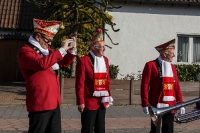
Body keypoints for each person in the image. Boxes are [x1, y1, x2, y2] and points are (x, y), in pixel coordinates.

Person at [18, 18, 77, 133]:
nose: (50, 43)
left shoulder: (47, 51)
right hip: (40, 103)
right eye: (48, 40)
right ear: (38, 36)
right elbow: (42, 64)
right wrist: (61, 50)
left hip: (54, 102)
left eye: (51, 40)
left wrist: (70, 51)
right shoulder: (25, 51)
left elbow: (62, 63)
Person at [140, 39, 185, 133]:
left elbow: (176, 87)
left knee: (169, 129)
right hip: (155, 104)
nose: (174, 55)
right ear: (165, 54)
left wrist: (181, 103)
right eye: (172, 53)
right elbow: (144, 86)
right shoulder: (150, 65)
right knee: (155, 131)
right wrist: (145, 104)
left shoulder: (172, 67)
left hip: (171, 105)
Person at [75, 28, 113, 133]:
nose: (104, 49)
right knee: (87, 129)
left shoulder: (105, 60)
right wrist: (80, 101)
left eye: (104, 46)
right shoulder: (83, 61)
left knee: (101, 129)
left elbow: (107, 79)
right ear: (93, 48)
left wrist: (108, 95)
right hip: (89, 101)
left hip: (102, 101)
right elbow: (80, 83)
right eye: (102, 47)